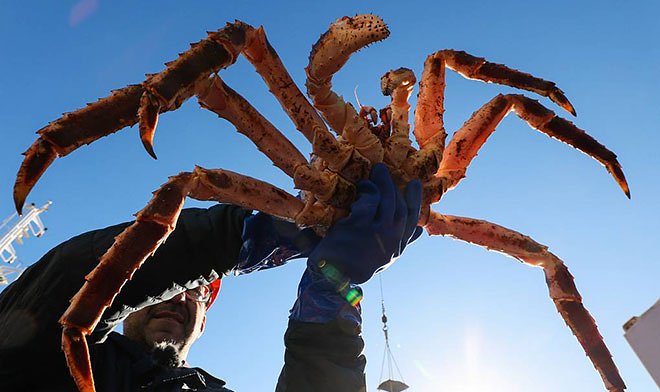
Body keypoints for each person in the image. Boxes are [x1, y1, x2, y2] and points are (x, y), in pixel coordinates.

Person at [0, 164, 422, 392]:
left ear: (204, 322)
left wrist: (329, 304)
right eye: (169, 288)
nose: (180, 300)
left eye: (197, 294)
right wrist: (237, 237)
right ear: (130, 305)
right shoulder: (71, 365)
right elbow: (56, 292)